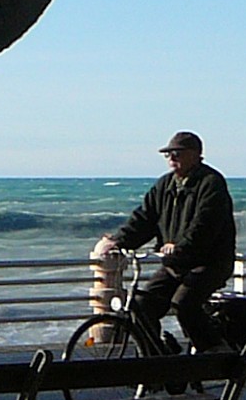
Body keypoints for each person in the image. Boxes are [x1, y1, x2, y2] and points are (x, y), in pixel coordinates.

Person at [93, 130, 236, 353]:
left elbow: (205, 226)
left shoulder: (211, 183)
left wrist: (179, 247)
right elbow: (144, 219)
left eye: (177, 153)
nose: (171, 158)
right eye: (168, 154)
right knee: (141, 306)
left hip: (209, 264)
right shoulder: (165, 185)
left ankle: (216, 353)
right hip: (175, 264)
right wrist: (119, 242)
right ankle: (160, 361)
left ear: (196, 155)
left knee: (184, 304)